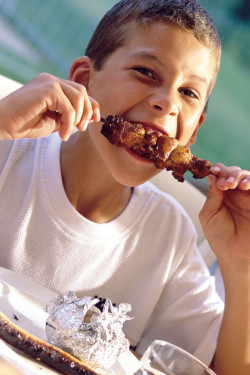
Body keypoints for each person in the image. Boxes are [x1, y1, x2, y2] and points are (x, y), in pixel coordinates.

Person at [0, 0, 249, 374]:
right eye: (146, 71)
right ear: (84, 81)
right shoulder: (10, 148)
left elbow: (227, 368)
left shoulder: (169, 238)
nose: (167, 103)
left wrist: (240, 266)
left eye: (189, 93)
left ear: (193, 132)